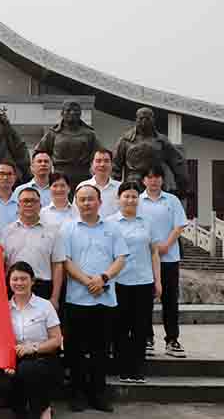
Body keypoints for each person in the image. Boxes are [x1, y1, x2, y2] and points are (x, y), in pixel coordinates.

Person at [61, 184, 128, 413]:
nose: (87, 203)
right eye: (82, 199)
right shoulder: (68, 228)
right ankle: (77, 394)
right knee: (75, 351)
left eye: (91, 199)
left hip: (105, 299)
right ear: (76, 203)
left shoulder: (112, 228)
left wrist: (103, 278)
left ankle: (98, 394)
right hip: (76, 299)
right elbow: (65, 261)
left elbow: (121, 258)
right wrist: (88, 282)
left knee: (101, 350)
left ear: (99, 202)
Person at [108, 181, 161, 384]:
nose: (130, 200)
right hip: (118, 282)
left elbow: (154, 253)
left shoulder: (147, 222)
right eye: (126, 196)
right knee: (120, 327)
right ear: (118, 199)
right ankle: (123, 368)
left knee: (141, 327)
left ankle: (138, 369)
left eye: (134, 196)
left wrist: (158, 281)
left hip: (143, 281)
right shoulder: (110, 223)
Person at [138, 164, 188, 359]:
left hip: (169, 257)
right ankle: (147, 338)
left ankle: (172, 340)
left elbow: (179, 226)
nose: (154, 180)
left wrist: (166, 245)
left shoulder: (172, 200)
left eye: (157, 177)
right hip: (145, 258)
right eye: (150, 177)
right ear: (144, 180)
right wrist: (151, 248)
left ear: (162, 180)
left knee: (170, 300)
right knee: (145, 302)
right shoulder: (138, 201)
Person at [4, 261, 63, 419]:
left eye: (24, 279)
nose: (19, 283)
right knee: (8, 380)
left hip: (43, 357)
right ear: (9, 282)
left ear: (33, 281)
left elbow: (57, 340)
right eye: (15, 279)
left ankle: (43, 409)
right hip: (15, 359)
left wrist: (33, 348)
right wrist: (7, 363)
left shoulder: (45, 306)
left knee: (28, 369)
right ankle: (21, 408)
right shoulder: (4, 308)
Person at [2, 187, 65, 309]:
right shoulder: (7, 231)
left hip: (42, 288)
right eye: (25, 201)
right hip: (14, 287)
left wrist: (55, 297)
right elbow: (2, 264)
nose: (29, 204)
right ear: (18, 206)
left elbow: (57, 265)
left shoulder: (53, 232)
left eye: (33, 201)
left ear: (40, 206)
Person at [77, 148, 120, 219]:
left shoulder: (120, 188)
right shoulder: (82, 187)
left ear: (112, 164)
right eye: (98, 161)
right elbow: (75, 213)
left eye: (106, 161)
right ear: (92, 164)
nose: (102, 164)